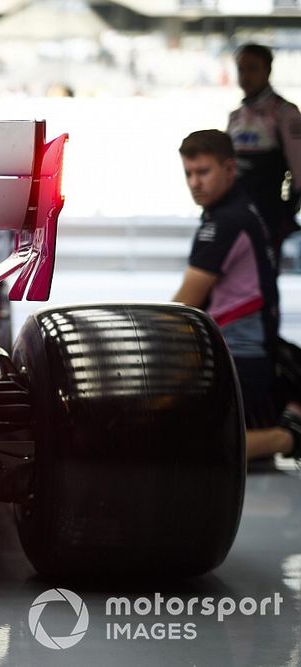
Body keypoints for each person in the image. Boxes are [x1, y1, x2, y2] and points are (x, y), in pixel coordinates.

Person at [173, 129, 300, 462]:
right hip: (240, 352)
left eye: (203, 172)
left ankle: (285, 438)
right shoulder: (238, 210)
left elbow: (183, 304)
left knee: (189, 449)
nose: (194, 182)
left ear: (230, 169)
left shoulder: (226, 222)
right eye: (188, 173)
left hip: (239, 357)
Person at [227, 43, 301, 269]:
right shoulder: (235, 117)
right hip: (236, 211)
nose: (245, 76)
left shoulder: (285, 113)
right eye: (241, 69)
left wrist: (287, 211)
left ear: (268, 71)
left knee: (264, 275)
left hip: (269, 213)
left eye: (252, 68)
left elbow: (299, 170)